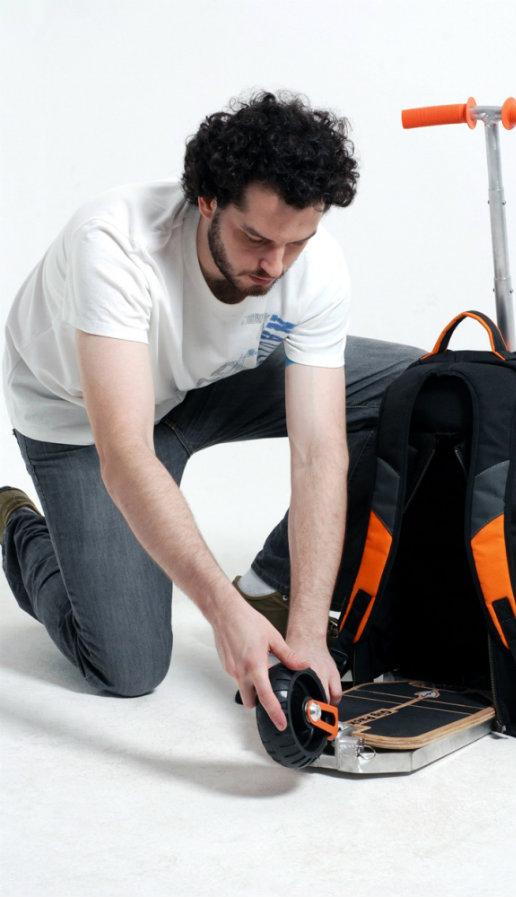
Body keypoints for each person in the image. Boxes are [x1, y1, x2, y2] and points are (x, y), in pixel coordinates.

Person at [1, 91, 419, 731]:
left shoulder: (309, 266)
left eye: (296, 243)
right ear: (206, 200)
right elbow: (126, 452)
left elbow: (318, 450)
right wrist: (223, 613)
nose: (275, 266)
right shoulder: (114, 245)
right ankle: (18, 527)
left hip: (201, 387)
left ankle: (270, 586)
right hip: (83, 419)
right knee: (128, 668)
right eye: (255, 238)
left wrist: (307, 629)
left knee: (419, 388)